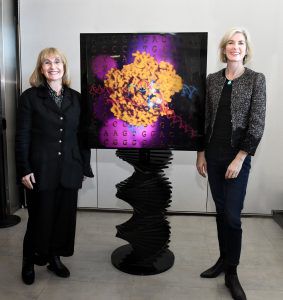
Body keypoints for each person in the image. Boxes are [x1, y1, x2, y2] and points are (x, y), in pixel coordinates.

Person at [196, 28, 266, 300]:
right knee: (221, 211)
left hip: (236, 159)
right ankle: (223, 260)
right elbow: (204, 119)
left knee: (233, 217)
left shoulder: (255, 80)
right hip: (212, 156)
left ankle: (232, 273)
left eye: (240, 43)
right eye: (230, 43)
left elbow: (257, 124)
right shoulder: (212, 80)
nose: (235, 47)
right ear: (223, 49)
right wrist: (200, 152)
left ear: (246, 49)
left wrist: (240, 158)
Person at [15, 47, 94, 285]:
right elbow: (22, 136)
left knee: (63, 219)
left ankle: (54, 258)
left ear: (64, 66)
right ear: (41, 69)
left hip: (69, 168)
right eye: (47, 63)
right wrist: (24, 168)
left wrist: (83, 166)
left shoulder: (76, 98)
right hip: (41, 170)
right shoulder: (30, 97)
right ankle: (29, 261)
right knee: (39, 218)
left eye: (57, 61)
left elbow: (83, 135)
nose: (53, 66)